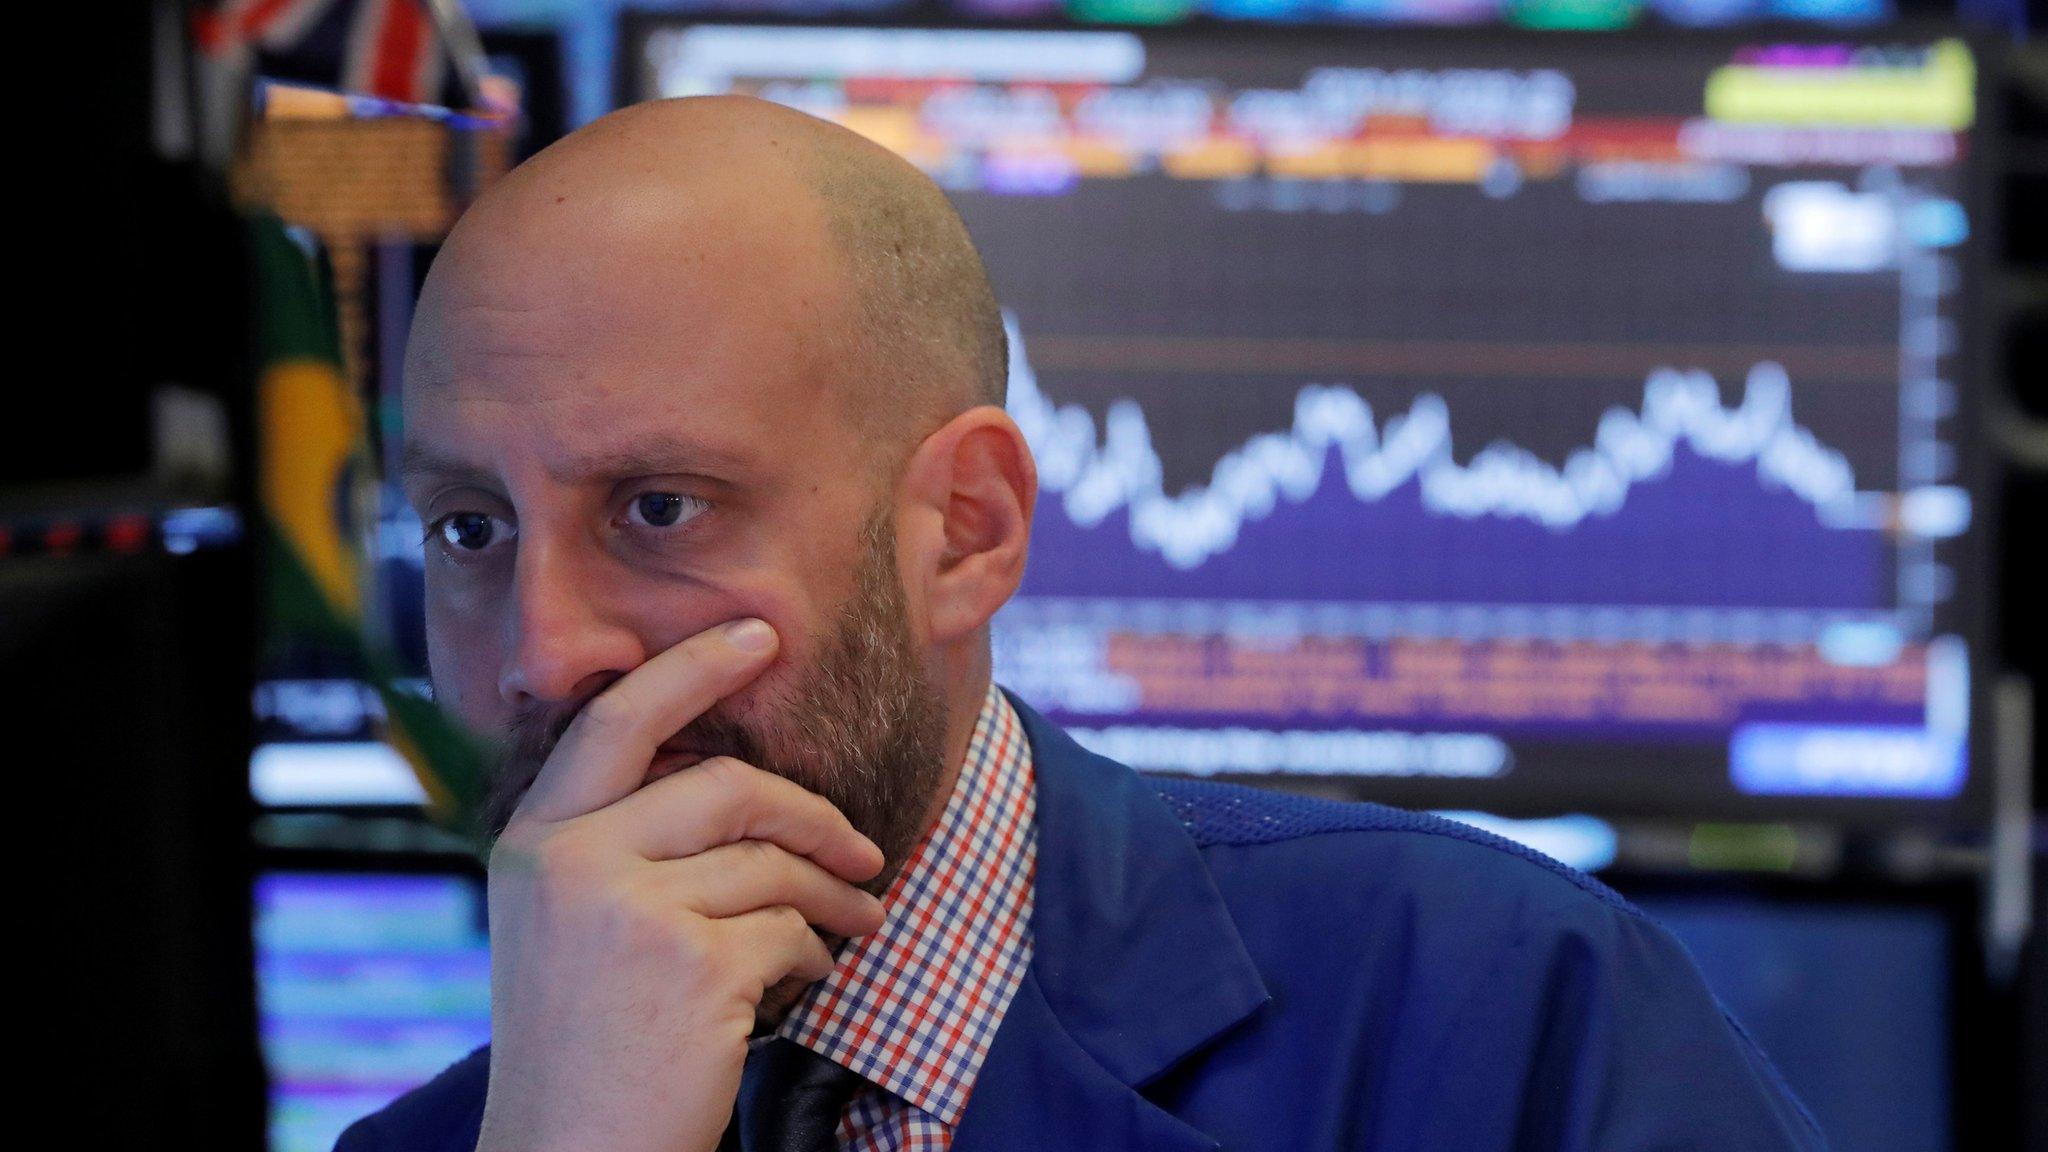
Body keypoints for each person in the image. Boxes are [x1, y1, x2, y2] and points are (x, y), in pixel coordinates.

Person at [337, 95, 1826, 1152]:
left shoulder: (1496, 1011)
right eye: (471, 530)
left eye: (659, 508)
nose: (540, 651)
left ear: (963, 532)